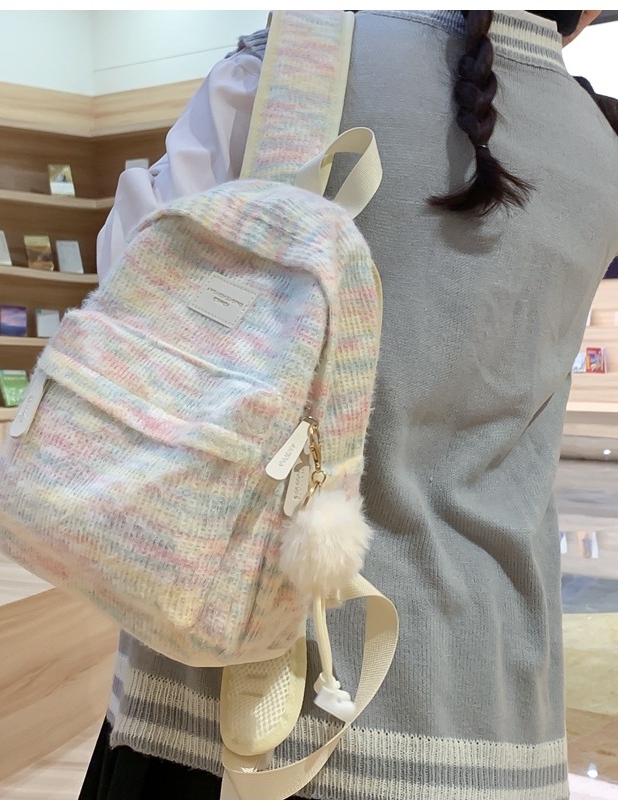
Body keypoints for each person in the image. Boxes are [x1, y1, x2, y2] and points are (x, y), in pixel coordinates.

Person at [80, 10, 618, 800]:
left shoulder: (295, 63)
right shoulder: (601, 144)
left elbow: (135, 289)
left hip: (231, 691)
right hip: (490, 702)